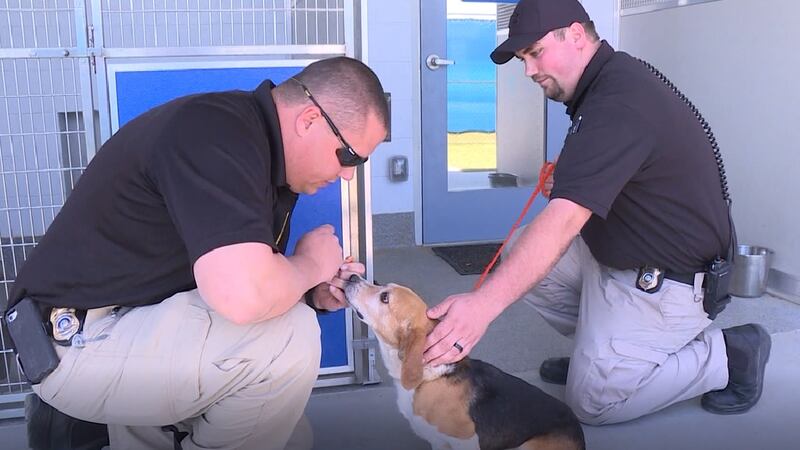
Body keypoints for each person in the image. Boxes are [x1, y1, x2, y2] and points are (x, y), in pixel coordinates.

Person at [4, 56, 389, 449]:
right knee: (291, 342)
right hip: (73, 342)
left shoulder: (254, 148)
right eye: (350, 157)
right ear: (309, 120)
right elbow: (242, 297)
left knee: (290, 434)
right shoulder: (217, 136)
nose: (348, 174)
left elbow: (234, 283)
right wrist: (309, 264)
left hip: (130, 324)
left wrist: (310, 290)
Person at [423, 0, 771, 425]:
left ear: (574, 34)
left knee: (593, 403)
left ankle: (730, 356)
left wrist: (481, 307)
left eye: (534, 53)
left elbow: (566, 220)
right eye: (521, 59)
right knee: (521, 253)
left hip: (672, 281)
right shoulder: (606, 84)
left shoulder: (619, 102)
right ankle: (609, 352)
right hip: (623, 255)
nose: (529, 70)